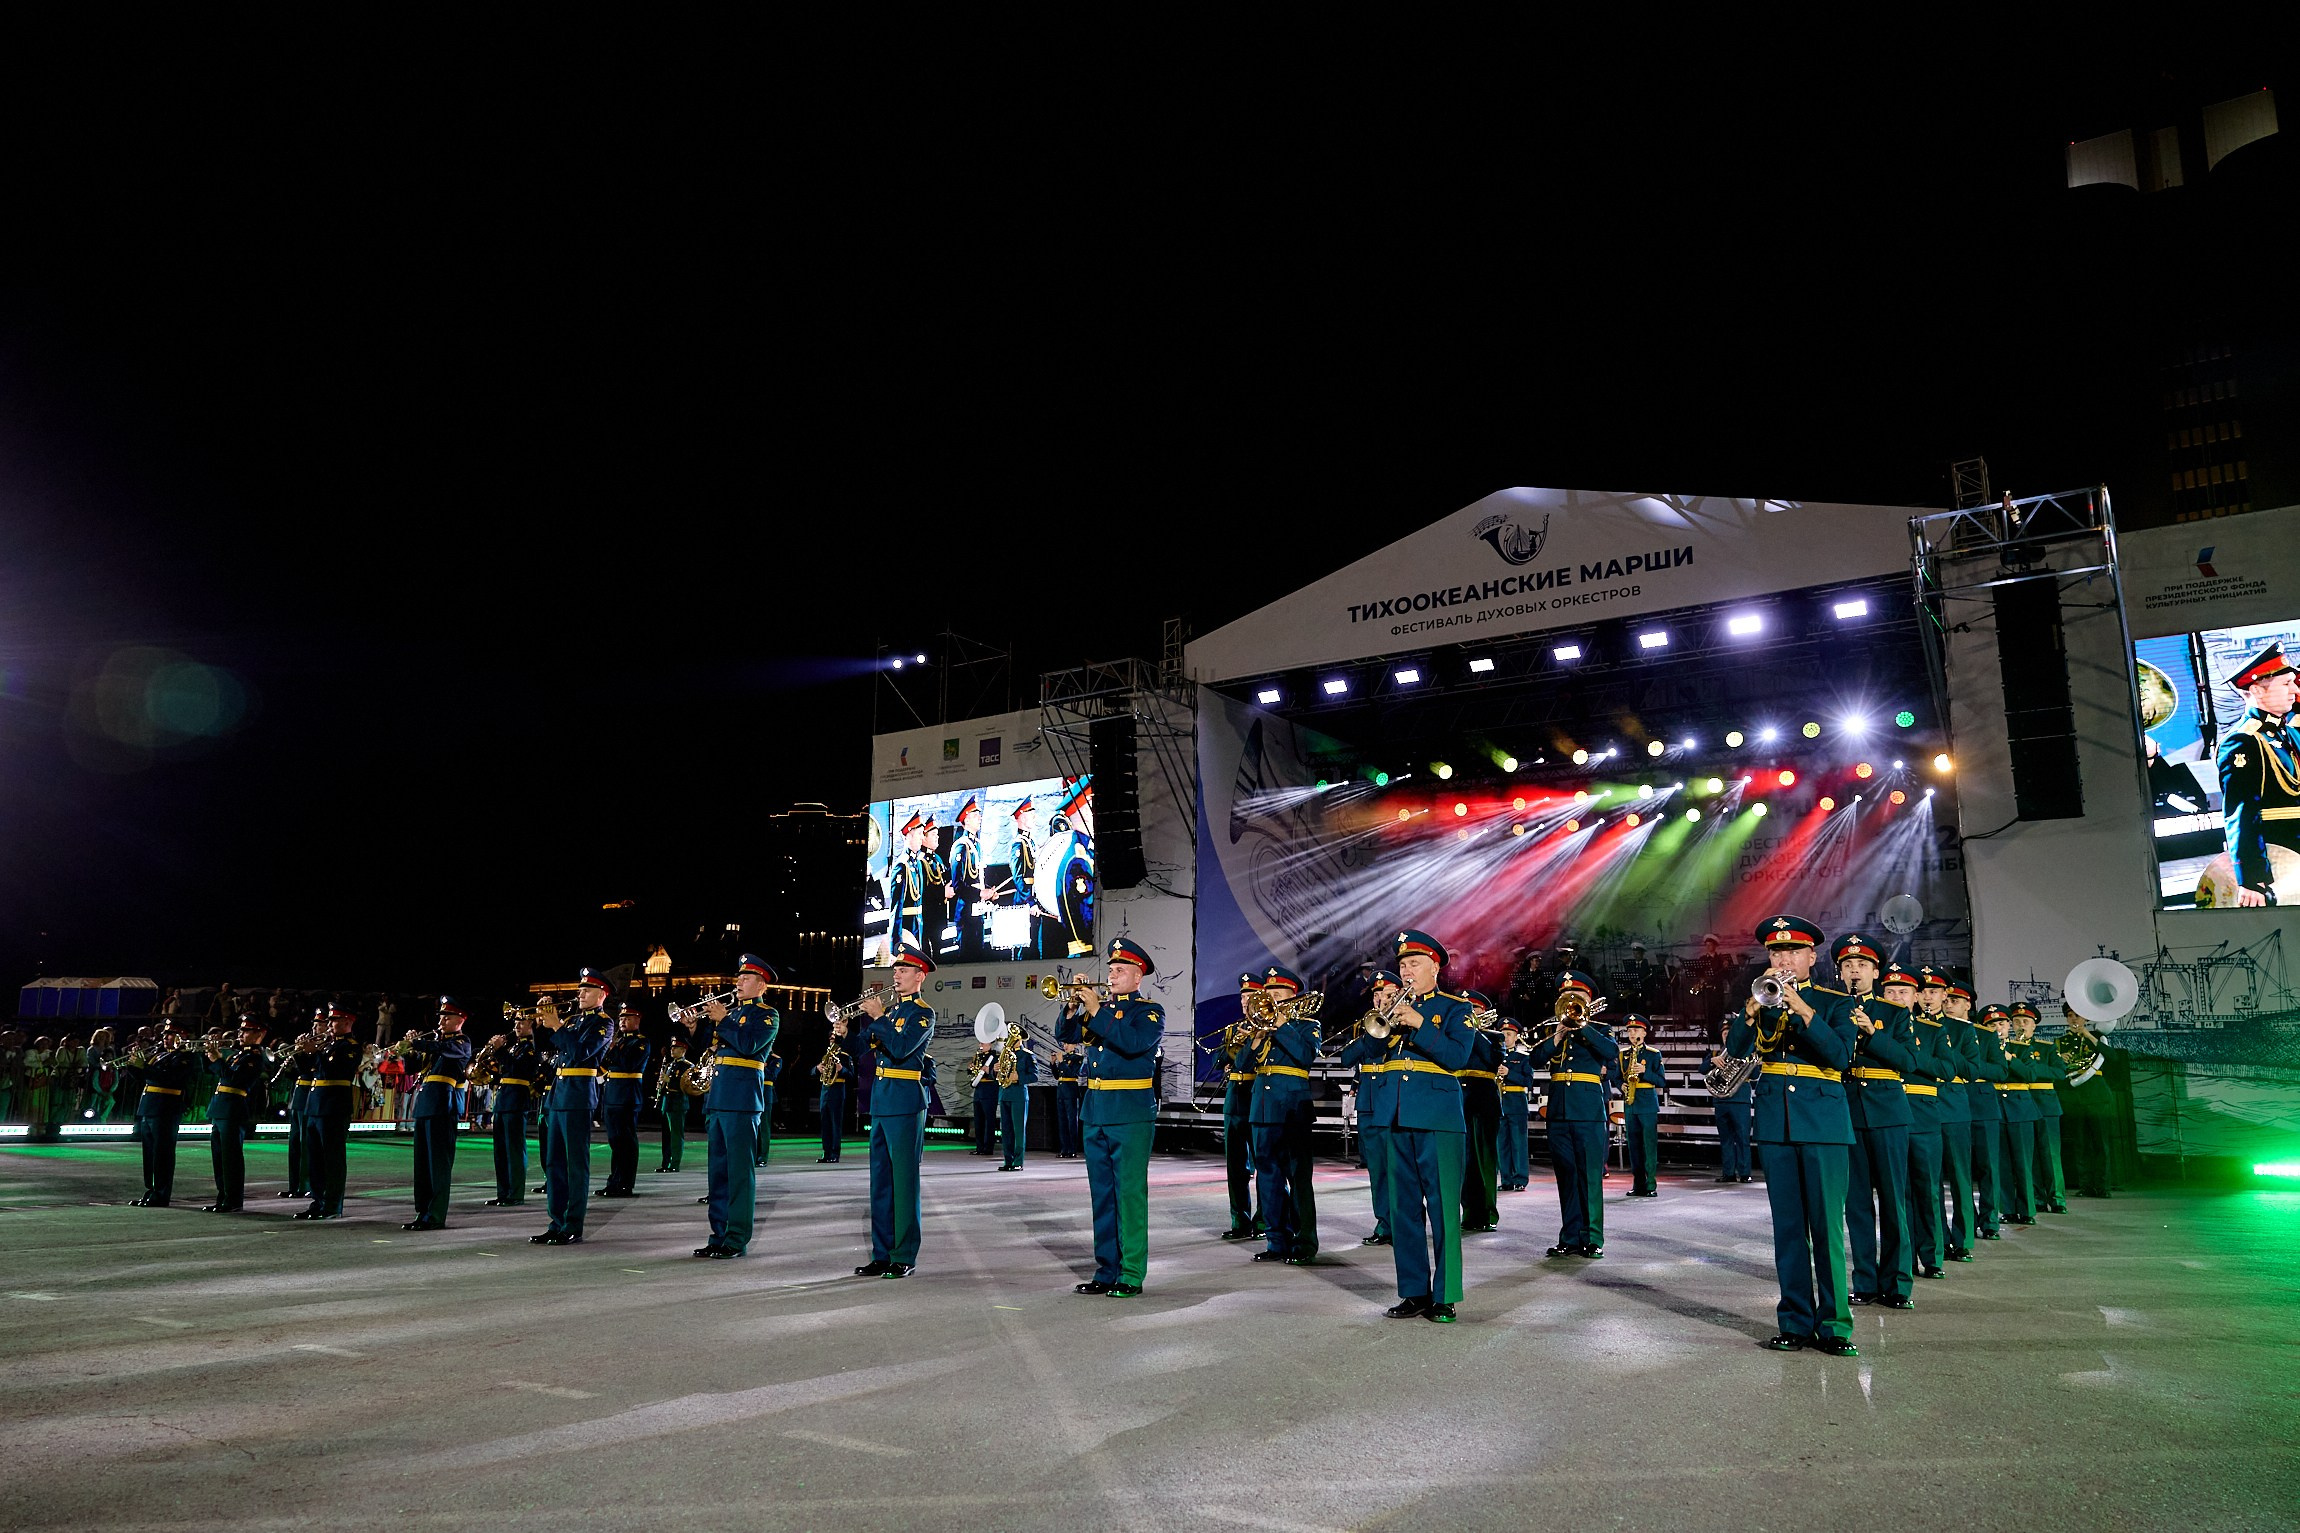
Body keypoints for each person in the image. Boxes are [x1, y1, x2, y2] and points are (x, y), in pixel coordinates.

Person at [1731, 914, 1859, 1356]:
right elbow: (1734, 1051)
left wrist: (1803, 1009)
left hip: (1823, 1123)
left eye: (1792, 951)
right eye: (1776, 952)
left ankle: (1836, 1326)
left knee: (1826, 1229)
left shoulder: (1835, 1003)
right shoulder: (1760, 999)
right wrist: (1749, 1014)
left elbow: (1840, 1056)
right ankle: (1795, 1322)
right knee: (1788, 1230)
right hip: (1776, 1122)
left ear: (1811, 956)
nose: (1783, 959)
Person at [1366, 930, 1476, 1322]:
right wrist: (1385, 1015)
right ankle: (1414, 1292)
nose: (1406, 971)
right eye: (1402, 965)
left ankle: (1445, 1296)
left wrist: (1418, 1022)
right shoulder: (1395, 1008)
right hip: (1396, 1116)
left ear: (1435, 968)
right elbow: (1368, 1051)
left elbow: (1458, 1057)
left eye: (1414, 963)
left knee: (1444, 1209)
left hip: (1438, 1118)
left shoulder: (1455, 1009)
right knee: (1403, 1211)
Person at [1072, 936, 1163, 1297]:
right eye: (1111, 969)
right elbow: (1066, 1035)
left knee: (1129, 1196)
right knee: (1103, 1197)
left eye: (1120, 969)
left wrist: (1097, 1010)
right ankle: (1106, 1270)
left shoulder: (1149, 1012)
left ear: (1138, 976)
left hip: (1130, 1113)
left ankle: (1131, 1273)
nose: (1112, 975)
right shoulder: (1101, 1010)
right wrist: (1073, 1008)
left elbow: (1132, 1043)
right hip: (1096, 1110)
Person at [1838, 951, 1920, 1310]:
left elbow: (1909, 1061)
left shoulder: (1895, 1013)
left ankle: (1898, 1283)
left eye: (1861, 966)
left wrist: (1872, 1033)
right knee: (1856, 1203)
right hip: (1848, 1109)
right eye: (1847, 966)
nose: (1854, 971)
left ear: (1875, 973)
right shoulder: (1833, 1007)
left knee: (1893, 1200)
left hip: (1888, 1110)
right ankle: (1865, 1281)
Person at [849, 940, 935, 1279]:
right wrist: (843, 1032)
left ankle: (904, 1254)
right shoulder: (893, 1013)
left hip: (905, 1102)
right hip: (882, 1102)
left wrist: (879, 1017)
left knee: (904, 1182)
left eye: (903, 969)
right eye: (895, 969)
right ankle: (882, 1253)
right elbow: (861, 1049)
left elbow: (900, 1049)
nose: (896, 974)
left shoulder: (922, 1014)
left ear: (919, 976)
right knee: (881, 1182)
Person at [694, 954, 781, 1259]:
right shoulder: (731, 1015)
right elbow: (708, 1050)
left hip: (743, 1102)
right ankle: (718, 1235)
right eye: (739, 977)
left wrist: (723, 1020)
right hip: (718, 1100)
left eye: (746, 978)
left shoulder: (767, 1015)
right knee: (717, 1174)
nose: (739, 982)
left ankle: (736, 1238)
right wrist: (694, 1028)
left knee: (739, 1174)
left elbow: (748, 1046)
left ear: (761, 985)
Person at [1529, 970, 1618, 1256]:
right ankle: (1569, 1237)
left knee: (1589, 1176)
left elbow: (1611, 1052)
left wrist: (1583, 1026)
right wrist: (1558, 1034)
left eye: (1576, 997)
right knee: (1566, 1177)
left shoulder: (1601, 1029)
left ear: (1588, 1001)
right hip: (1558, 1111)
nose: (1570, 1003)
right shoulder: (1554, 1031)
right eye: (1565, 998)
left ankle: (1592, 1239)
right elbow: (1534, 1059)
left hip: (1588, 1111)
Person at [530, 970, 613, 1246]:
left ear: (601, 995)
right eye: (580, 989)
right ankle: (556, 1223)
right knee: (554, 1163)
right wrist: (540, 1023)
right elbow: (545, 1051)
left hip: (578, 1097)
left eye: (587, 990)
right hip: (559, 1095)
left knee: (575, 1164)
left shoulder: (604, 1023)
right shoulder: (573, 1020)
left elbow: (580, 1053)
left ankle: (573, 1225)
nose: (580, 994)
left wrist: (557, 1025)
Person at [2215, 641, 2298, 906]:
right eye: (2286, 684)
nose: (2295, 690)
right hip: (2281, 860)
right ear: (2256, 690)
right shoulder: (2242, 741)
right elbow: (2241, 812)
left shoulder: (2292, 734)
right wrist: (2251, 878)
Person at [1247, 964, 1320, 1265]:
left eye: (1278, 993)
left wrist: (1281, 1024)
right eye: (1269, 993)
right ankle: (1276, 1240)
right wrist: (1254, 1039)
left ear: (1293, 995)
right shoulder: (1260, 1025)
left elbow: (1305, 1056)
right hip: (1262, 1109)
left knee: (1298, 1178)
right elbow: (1241, 1065)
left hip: (1292, 1109)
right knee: (1268, 1179)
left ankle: (1304, 1242)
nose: (1272, 998)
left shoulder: (1307, 1025)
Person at [1897, 967, 1957, 1281]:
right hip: (1891, 1116)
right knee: (1899, 1194)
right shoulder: (1877, 1028)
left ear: (1916, 996)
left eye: (1903, 992)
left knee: (1928, 1189)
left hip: (1923, 1115)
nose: (1896, 998)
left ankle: (1932, 1256)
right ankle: (1904, 1259)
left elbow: (1948, 1069)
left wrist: (1910, 1056)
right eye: (1890, 992)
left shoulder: (1931, 1030)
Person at [1339, 969, 1404, 1243]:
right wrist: (1371, 1032)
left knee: (1399, 1169)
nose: (1380, 998)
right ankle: (1385, 1225)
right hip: (1368, 1103)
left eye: (1387, 994)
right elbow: (1346, 1059)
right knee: (1377, 1170)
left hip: (1394, 1101)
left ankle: (1404, 1223)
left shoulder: (1405, 1024)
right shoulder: (1364, 1025)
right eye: (1377, 994)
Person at [401, 998, 474, 1230]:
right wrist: (408, 1050)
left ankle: (435, 1215)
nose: (441, 1021)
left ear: (460, 1020)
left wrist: (420, 1043)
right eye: (441, 1017)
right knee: (422, 1164)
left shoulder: (461, 1042)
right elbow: (412, 1069)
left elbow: (446, 1051)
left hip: (443, 1105)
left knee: (438, 1164)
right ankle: (423, 1211)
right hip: (426, 1105)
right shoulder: (436, 1043)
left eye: (447, 1017)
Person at [297, 1003, 363, 1220]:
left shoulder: (351, 1046)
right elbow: (308, 1070)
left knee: (332, 1159)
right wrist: (302, 1053)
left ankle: (332, 1205)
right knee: (315, 1159)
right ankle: (318, 1201)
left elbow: (336, 1070)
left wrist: (315, 1051)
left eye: (334, 1020)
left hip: (334, 1107)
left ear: (347, 1022)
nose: (330, 1024)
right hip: (315, 1105)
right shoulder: (328, 1046)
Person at [1934, 973, 1981, 1261]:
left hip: (1953, 1107)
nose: (1929, 997)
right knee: (1930, 1182)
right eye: (1925, 992)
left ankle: (1963, 1239)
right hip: (1923, 1107)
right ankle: (1938, 1238)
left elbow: (1973, 1071)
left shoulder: (1961, 1030)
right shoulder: (1912, 1024)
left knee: (1960, 1178)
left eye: (1936, 992)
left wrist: (1946, 1048)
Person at [201, 1018, 269, 1212]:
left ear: (259, 1035)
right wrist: (209, 1055)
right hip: (221, 1108)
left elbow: (233, 1079)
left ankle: (233, 1200)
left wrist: (218, 1059)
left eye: (246, 1031)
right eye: (241, 1030)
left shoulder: (254, 1057)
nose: (240, 1034)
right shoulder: (238, 1055)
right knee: (219, 1158)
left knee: (231, 1159)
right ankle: (223, 1196)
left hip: (233, 1109)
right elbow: (214, 1072)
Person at [1214, 973, 1263, 1238]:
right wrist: (1230, 1050)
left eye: (1250, 996)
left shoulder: (1266, 1029)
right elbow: (1219, 1061)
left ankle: (1265, 1222)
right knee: (1235, 1167)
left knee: (1263, 1165)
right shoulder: (1234, 1029)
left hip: (1255, 1095)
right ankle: (1240, 1222)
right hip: (1234, 1098)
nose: (1245, 1001)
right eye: (1243, 997)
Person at [131, 1028, 202, 1206]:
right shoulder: (160, 1054)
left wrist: (144, 1066)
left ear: (182, 1036)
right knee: (149, 1153)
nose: (165, 1037)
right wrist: (133, 1064)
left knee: (162, 1153)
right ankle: (151, 1190)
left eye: (169, 1034)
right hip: (149, 1105)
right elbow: (144, 1077)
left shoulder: (185, 1057)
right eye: (164, 1034)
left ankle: (161, 1194)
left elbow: (169, 1078)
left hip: (166, 1107)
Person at [2010, 1003, 2068, 1213]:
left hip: (2045, 1104)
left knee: (2050, 1153)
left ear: (2034, 1026)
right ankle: (2037, 1198)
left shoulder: (2046, 1047)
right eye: (2017, 1021)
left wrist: (2033, 1068)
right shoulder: (2009, 1048)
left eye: (2026, 1021)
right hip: (2021, 1104)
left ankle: (2057, 1199)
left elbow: (2060, 1072)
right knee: (2030, 1154)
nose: (2021, 1025)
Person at [1985, 1004, 2038, 1227]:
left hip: (2020, 1108)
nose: (1998, 1028)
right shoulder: (1984, 1049)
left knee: (2023, 1162)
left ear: (2009, 1025)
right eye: (1992, 1025)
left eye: (2001, 1023)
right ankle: (2007, 1209)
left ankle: (2027, 1209)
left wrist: (2009, 1058)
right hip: (1995, 1107)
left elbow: (2031, 1074)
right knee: (2002, 1163)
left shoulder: (2021, 1048)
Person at [1456, 991, 1504, 1231]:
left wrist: (1474, 1031)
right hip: (1458, 1099)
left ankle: (1486, 1214)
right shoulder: (1455, 1035)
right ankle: (1468, 1213)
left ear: (1483, 1012)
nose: (1469, 1013)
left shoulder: (1494, 1036)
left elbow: (1493, 1060)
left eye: (1473, 1009)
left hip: (1484, 1099)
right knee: (1463, 1161)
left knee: (1484, 1159)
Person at [1965, 1001, 2012, 1244]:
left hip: (1983, 1105)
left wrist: (1970, 1066)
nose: (1950, 1005)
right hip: (1954, 1104)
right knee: (1960, 1170)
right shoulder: (1942, 1030)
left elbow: (2000, 1071)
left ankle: (1990, 1221)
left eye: (1956, 1001)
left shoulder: (1984, 1036)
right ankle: (1967, 1221)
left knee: (1989, 1167)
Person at [596, 1000, 651, 1199]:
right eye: (621, 1018)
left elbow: (628, 1063)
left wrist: (613, 1048)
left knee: (626, 1142)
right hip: (612, 1096)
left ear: (637, 1020)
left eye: (627, 1018)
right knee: (615, 1142)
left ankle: (625, 1183)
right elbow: (603, 1065)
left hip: (627, 1096)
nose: (623, 1021)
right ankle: (614, 1182)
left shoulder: (641, 1042)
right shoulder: (619, 1042)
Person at [488, 1012, 543, 1205]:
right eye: (516, 1022)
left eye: (522, 1022)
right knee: (500, 1151)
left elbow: (519, 1069)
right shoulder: (514, 1047)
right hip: (503, 1101)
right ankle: (503, 1192)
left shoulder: (531, 1049)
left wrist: (500, 1051)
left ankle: (516, 1194)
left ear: (531, 1025)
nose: (517, 1026)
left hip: (516, 1100)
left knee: (514, 1150)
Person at [1615, 1012, 1668, 1198]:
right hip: (1630, 1103)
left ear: (1644, 1033)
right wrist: (1620, 1085)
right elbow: (1616, 1077)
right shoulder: (1623, 1054)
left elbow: (1661, 1081)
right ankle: (1638, 1184)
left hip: (1647, 1102)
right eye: (1629, 1031)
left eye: (1636, 1030)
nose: (1632, 1033)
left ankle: (1650, 1184)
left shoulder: (1654, 1054)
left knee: (1649, 1144)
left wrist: (1645, 1072)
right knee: (1634, 1145)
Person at [1703, 1027, 1755, 1182]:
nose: (1727, 1036)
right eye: (1724, 1034)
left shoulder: (1746, 1051)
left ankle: (1745, 1174)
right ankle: (1728, 1173)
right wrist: (1712, 1061)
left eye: (1730, 1034)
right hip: (1721, 1101)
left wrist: (1752, 1061)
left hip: (1740, 1100)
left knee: (1743, 1138)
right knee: (1725, 1139)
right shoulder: (1715, 1054)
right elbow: (1701, 1069)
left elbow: (1755, 1074)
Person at [1494, 1016, 1534, 1194]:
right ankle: (1507, 1180)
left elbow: (1528, 1081)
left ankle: (1520, 1179)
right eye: (1503, 1033)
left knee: (1518, 1144)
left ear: (1516, 1037)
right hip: (1499, 1104)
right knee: (1502, 1144)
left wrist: (1509, 1073)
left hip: (1516, 1104)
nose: (1505, 1037)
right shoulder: (1495, 1056)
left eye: (1509, 1034)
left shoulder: (1523, 1057)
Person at [996, 1027, 1037, 1170]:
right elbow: (1000, 1076)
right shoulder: (1005, 1054)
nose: (1011, 1040)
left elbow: (1034, 1076)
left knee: (1018, 1130)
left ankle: (1018, 1162)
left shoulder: (1027, 1055)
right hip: (1005, 1094)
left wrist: (1019, 1077)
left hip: (1019, 1095)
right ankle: (1008, 1161)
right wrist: (996, 1070)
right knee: (1006, 1130)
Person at [656, 1034, 696, 1172]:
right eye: (672, 1047)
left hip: (678, 1101)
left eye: (676, 1048)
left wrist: (670, 1081)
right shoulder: (670, 1064)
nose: (672, 1050)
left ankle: (674, 1163)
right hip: (667, 1101)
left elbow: (689, 1086)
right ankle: (665, 1162)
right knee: (666, 1135)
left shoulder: (688, 1066)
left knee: (676, 1135)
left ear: (683, 1050)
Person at [1052, 1023, 1084, 1160]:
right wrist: (1053, 1063)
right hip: (1061, 1092)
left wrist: (1061, 1062)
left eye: (1068, 1044)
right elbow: (1057, 1076)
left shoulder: (1078, 1058)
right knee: (1062, 1121)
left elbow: (1073, 1073)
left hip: (1071, 1091)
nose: (1065, 1046)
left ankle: (1072, 1149)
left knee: (1072, 1121)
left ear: (1074, 1045)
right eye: (1064, 1044)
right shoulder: (1064, 1058)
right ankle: (1064, 1149)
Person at [816, 1030, 849, 1163]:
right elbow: (812, 1072)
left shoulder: (844, 1056)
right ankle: (826, 1153)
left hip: (837, 1091)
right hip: (825, 1091)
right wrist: (817, 1069)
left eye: (834, 1037)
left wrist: (842, 1069)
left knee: (835, 1124)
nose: (831, 1039)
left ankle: (835, 1154)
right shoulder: (825, 1055)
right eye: (830, 1037)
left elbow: (851, 1075)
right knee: (825, 1124)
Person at [969, 1036, 1001, 1156]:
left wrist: (989, 1071)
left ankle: (988, 1148)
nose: (980, 1045)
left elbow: (998, 1074)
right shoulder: (978, 1056)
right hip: (979, 1090)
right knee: (978, 1120)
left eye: (983, 1043)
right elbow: (972, 1074)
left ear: (990, 1044)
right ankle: (979, 1147)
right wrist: (971, 1069)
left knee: (989, 1120)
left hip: (990, 1090)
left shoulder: (995, 1056)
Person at [756, 1047, 782, 1168]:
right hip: (753, 1091)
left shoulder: (775, 1059)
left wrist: (760, 1066)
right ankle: (753, 1155)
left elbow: (771, 1075)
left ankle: (762, 1156)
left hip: (765, 1092)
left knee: (764, 1126)